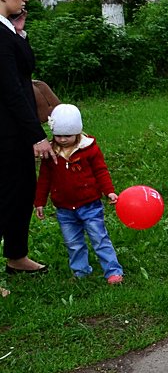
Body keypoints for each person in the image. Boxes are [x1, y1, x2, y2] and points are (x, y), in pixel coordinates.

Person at [33, 104, 124, 283]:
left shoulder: (89, 149)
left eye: (67, 136)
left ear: (77, 131)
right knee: (73, 243)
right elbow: (44, 179)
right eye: (58, 135)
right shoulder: (51, 152)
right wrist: (40, 202)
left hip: (90, 204)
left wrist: (109, 192)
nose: (63, 139)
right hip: (64, 209)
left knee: (99, 239)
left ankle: (113, 271)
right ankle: (81, 271)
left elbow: (101, 171)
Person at [0, 0, 50, 280]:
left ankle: (16, 256)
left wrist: (20, 30)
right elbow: (12, 91)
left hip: (15, 128)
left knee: (22, 192)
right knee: (6, 194)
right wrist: (37, 135)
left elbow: (24, 69)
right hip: (5, 130)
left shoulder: (8, 30)